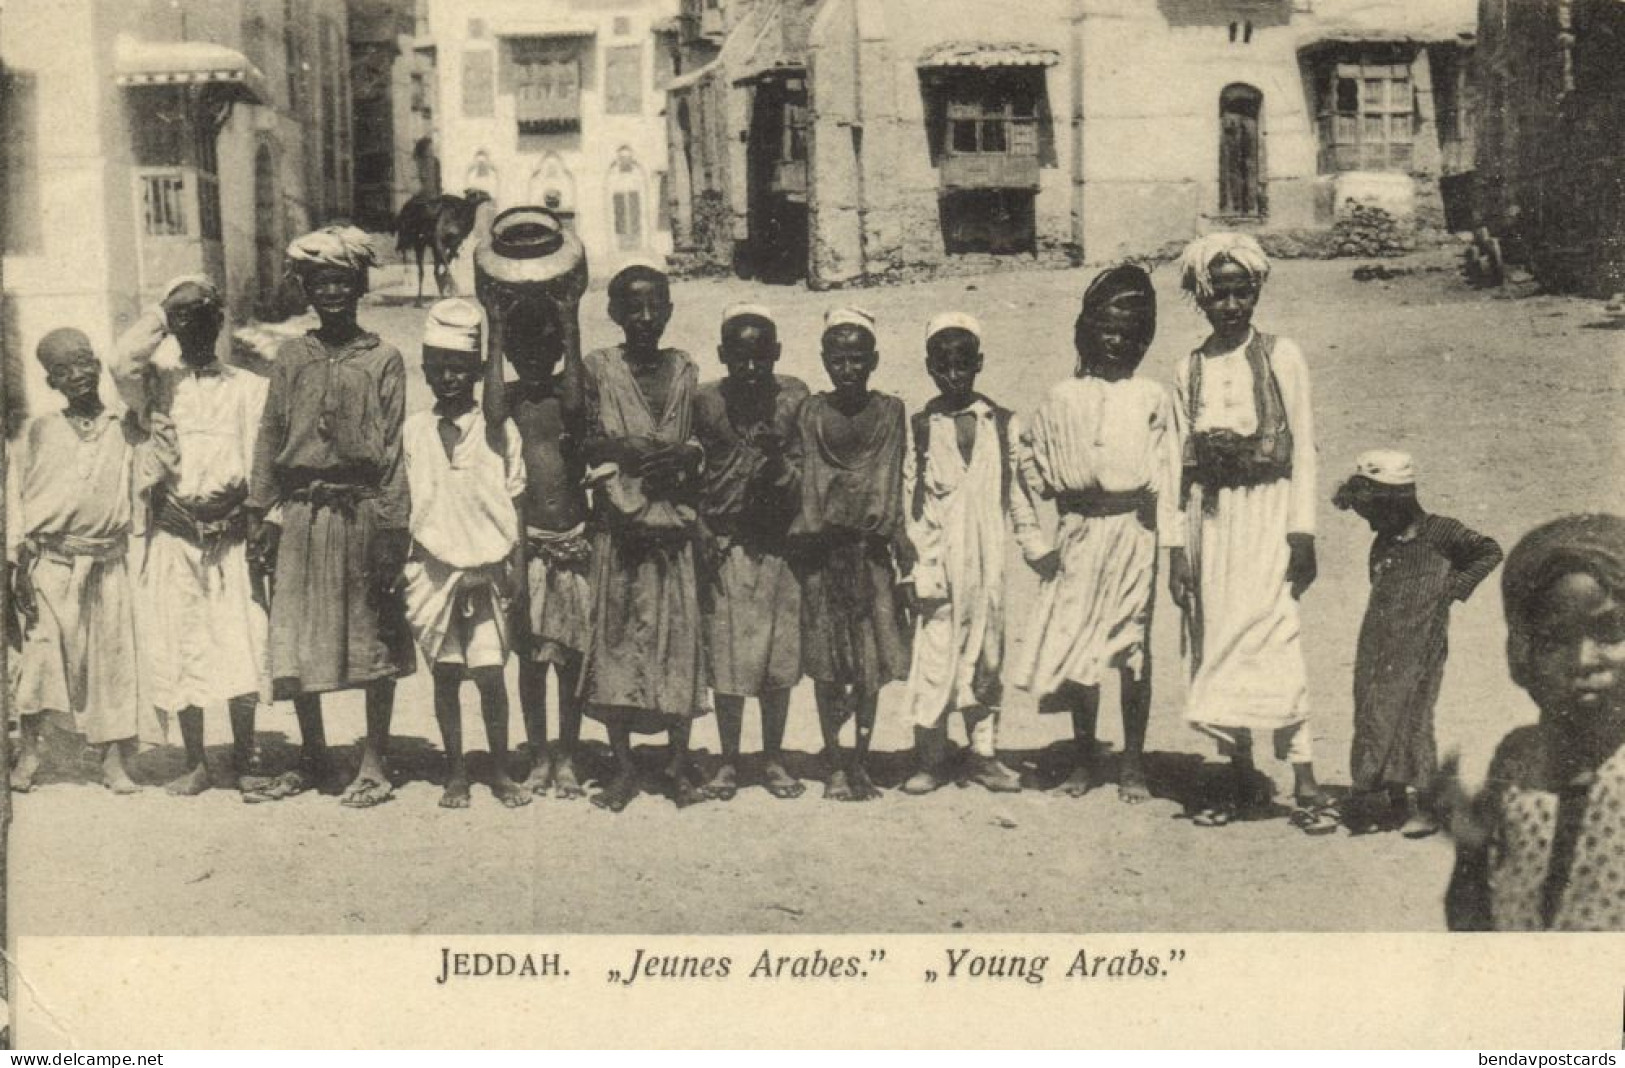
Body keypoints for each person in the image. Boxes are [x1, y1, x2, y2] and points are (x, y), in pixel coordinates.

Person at [1168, 233, 1335, 834]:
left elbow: (1305, 448)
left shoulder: (1280, 354)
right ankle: (1232, 774)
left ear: (1257, 292)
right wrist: (1176, 553)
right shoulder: (1186, 368)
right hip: (1210, 523)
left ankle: (1306, 780)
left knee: (1275, 635)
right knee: (1215, 640)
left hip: (1269, 514)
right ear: (1201, 298)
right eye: (1219, 294)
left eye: (1243, 292)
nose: (1232, 306)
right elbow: (1177, 466)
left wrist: (1303, 532)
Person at [246, 226, 416, 807]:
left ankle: (374, 761)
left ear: (360, 286)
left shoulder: (384, 359)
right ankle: (313, 754)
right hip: (300, 514)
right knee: (294, 635)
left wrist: (395, 529)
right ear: (309, 291)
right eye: (322, 284)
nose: (333, 293)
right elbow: (271, 435)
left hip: (363, 510)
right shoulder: (292, 356)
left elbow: (392, 449)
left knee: (371, 635)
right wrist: (257, 511)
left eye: (343, 282)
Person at [1010, 266, 1182, 803]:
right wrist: (1036, 545)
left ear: (1143, 336)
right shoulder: (1062, 396)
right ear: (1087, 330)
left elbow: (1171, 477)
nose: (1117, 338)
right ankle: (1084, 758)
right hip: (1078, 532)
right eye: (1106, 326)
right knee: (1080, 645)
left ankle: (1132, 761)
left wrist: (1171, 545)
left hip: (1135, 532)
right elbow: (1022, 470)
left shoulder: (1153, 396)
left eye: (1130, 329)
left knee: (1132, 646)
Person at [111, 275, 271, 797]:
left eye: (205, 319)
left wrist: (249, 519)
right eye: (185, 321)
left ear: (220, 323)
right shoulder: (154, 384)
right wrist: (164, 308)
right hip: (174, 535)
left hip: (230, 538)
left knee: (242, 642)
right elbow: (120, 362)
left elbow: (259, 466)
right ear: (173, 329)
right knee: (183, 646)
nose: (195, 331)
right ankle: (197, 762)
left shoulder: (248, 387)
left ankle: (246, 758)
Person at [1442, 514, 1625, 931]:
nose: (1582, 661)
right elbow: (1473, 926)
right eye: (1553, 639)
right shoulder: (1515, 761)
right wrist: (1470, 847)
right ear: (1519, 654)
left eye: (1610, 633)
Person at [575, 263, 708, 812]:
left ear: (671, 309)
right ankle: (624, 768)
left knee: (678, 645)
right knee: (617, 644)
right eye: (633, 307)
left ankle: (677, 763)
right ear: (614, 314)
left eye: (656, 306)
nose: (646, 318)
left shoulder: (685, 370)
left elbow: (702, 442)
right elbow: (578, 440)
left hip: (672, 532)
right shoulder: (599, 370)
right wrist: (618, 451)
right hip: (621, 532)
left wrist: (683, 454)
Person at [9, 329, 162, 791]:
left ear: (97, 365)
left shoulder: (126, 424)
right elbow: (16, 501)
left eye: (82, 362)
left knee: (112, 663)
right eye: (62, 369)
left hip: (107, 563)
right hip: (49, 565)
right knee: (41, 660)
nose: (75, 374)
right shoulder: (38, 431)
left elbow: (131, 362)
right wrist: (16, 564)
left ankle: (114, 761)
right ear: (50, 381)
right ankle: (30, 755)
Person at [899, 312, 1038, 795]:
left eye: (963, 365)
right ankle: (931, 758)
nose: (953, 375)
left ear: (979, 363)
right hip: (937, 562)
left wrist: (1035, 546)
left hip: (986, 563)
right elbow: (909, 500)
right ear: (929, 367)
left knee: (987, 657)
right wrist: (914, 564)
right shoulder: (921, 427)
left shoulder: (1001, 423)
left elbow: (1019, 493)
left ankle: (983, 755)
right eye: (943, 366)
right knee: (934, 658)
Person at [1333, 450, 1502, 836]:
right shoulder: (1385, 539)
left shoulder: (1440, 532)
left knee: (1413, 714)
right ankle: (1388, 802)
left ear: (1396, 501)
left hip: (1422, 641)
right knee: (1374, 710)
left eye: (1374, 512)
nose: (1371, 522)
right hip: (1378, 642)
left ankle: (1425, 806)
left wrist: (1454, 589)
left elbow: (1489, 550)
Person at [402, 299, 530, 809]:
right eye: (439, 368)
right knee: (448, 674)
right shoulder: (413, 430)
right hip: (433, 570)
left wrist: (513, 567)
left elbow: (515, 498)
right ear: (427, 372)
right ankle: (455, 772)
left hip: (488, 568)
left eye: (459, 368)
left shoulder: (498, 430)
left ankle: (499, 770)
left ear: (477, 372)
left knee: (491, 674)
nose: (449, 377)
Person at [791, 307, 911, 802]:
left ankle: (860, 760)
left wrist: (894, 533)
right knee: (826, 662)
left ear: (874, 360)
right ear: (824, 360)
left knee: (868, 663)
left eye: (858, 359)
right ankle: (834, 759)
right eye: (838, 359)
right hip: (824, 554)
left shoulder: (891, 412)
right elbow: (804, 478)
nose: (848, 369)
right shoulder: (811, 414)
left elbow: (896, 476)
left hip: (872, 554)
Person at [693, 303, 809, 801]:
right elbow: (688, 472)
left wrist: (778, 458)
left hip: (778, 547)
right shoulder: (704, 402)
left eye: (761, 356)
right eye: (739, 357)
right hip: (726, 547)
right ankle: (727, 759)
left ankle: (775, 757)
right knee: (728, 660)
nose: (750, 367)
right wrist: (698, 526)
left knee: (777, 661)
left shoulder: (795, 399)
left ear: (776, 354)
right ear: (722, 356)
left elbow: (809, 474)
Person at [483, 296, 591, 800]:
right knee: (530, 662)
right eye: (521, 350)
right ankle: (540, 753)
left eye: (544, 348)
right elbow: (490, 413)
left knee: (569, 659)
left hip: (570, 544)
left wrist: (569, 317)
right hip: (527, 547)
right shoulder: (509, 401)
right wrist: (497, 324)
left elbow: (573, 402)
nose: (533, 359)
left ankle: (567, 754)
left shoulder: (568, 400)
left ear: (557, 351)